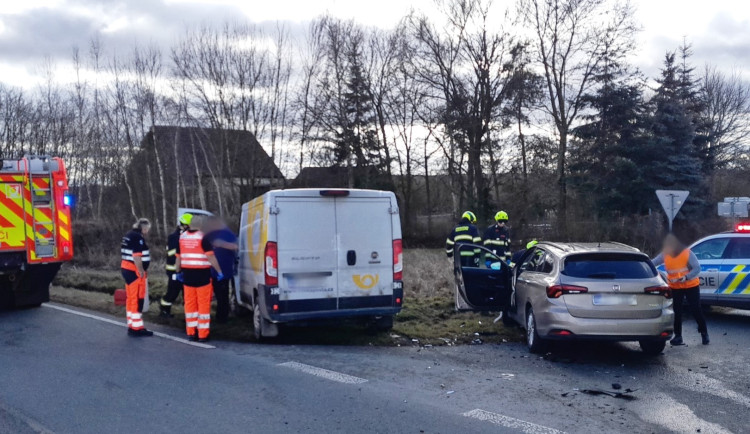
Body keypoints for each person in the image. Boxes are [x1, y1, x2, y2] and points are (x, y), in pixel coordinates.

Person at [652, 233, 709, 346]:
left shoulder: (687, 253)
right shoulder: (665, 254)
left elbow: (697, 268)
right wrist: (642, 263)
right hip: (675, 287)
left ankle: (704, 333)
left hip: (691, 285)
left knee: (695, 309)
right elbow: (653, 262)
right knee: (677, 311)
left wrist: (686, 277)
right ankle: (678, 336)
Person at [175, 215, 223, 342]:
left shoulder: (182, 237)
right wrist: (219, 271)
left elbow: (178, 257)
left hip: (187, 276)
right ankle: (203, 334)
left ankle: (191, 332)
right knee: (203, 305)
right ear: (201, 225)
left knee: (190, 305)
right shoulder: (203, 237)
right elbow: (211, 257)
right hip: (202, 276)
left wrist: (177, 270)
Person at [202, 216, 239, 324]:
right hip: (210, 270)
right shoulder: (209, 234)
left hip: (224, 270)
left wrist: (221, 244)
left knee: (223, 295)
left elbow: (235, 246)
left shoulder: (227, 233)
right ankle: (214, 316)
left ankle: (222, 317)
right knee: (215, 294)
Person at [120, 218, 154, 337]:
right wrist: (140, 270)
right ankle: (136, 328)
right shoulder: (137, 238)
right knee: (136, 300)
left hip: (126, 268)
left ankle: (133, 325)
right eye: (147, 229)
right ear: (144, 228)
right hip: (134, 271)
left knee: (130, 299)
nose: (147, 232)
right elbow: (137, 256)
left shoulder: (129, 235)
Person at [159, 213, 192, 318]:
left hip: (184, 270)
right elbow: (172, 253)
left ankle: (189, 315)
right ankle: (164, 310)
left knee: (186, 294)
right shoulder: (174, 237)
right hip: (174, 270)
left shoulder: (185, 236)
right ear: (185, 225)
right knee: (172, 292)